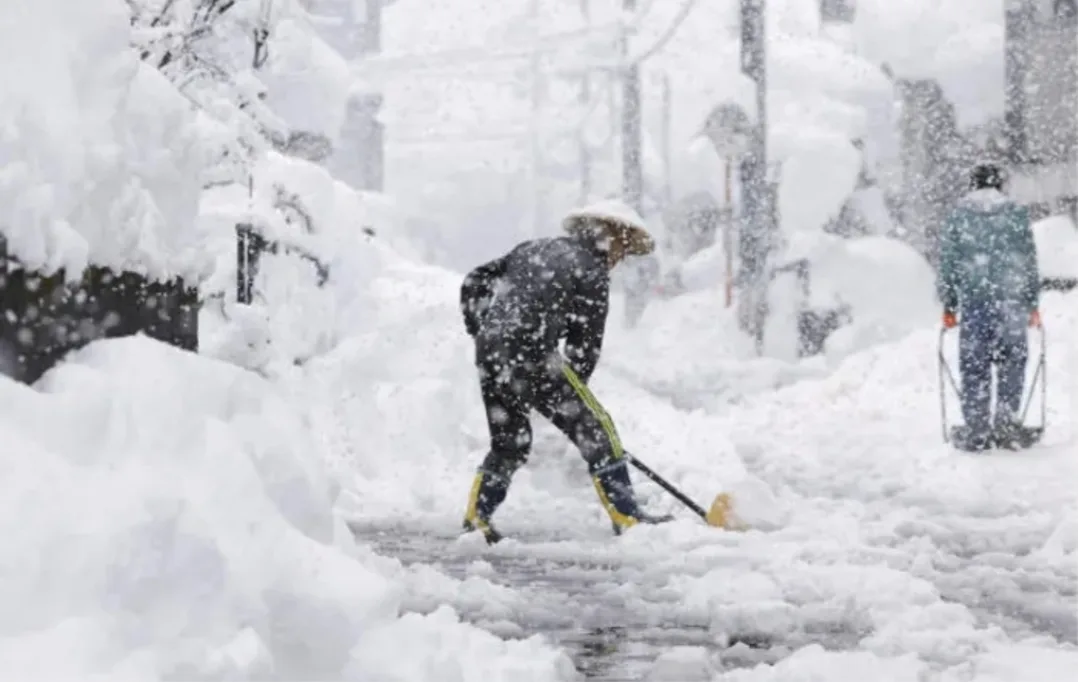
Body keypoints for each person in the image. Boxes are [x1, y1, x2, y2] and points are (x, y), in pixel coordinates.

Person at [459, 200, 674, 543]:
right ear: (611, 236)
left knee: (510, 442)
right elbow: (585, 345)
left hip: (490, 353)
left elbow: (475, 280)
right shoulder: (592, 270)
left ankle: (477, 516)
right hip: (534, 354)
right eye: (622, 248)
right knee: (599, 430)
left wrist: (483, 329)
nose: (620, 258)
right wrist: (571, 399)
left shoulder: (532, 248)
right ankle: (627, 516)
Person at [937, 162, 1041, 451]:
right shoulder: (1016, 214)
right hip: (1011, 303)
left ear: (973, 184)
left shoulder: (959, 216)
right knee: (1012, 365)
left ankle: (977, 430)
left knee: (974, 367)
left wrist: (949, 304)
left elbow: (949, 263)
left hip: (975, 303)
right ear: (999, 184)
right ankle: (1006, 426)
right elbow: (1028, 260)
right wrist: (1032, 302)